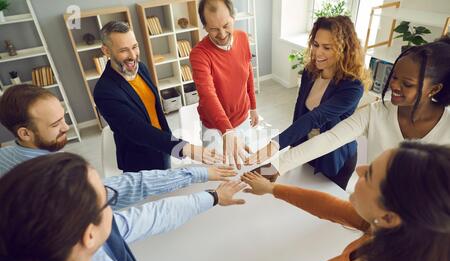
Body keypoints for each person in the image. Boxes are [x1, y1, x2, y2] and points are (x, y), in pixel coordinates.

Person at [0, 152, 247, 261]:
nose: (114, 205)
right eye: (108, 201)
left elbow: (152, 215)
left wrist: (213, 197)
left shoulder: (85, 252)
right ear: (89, 235)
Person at [242, 141, 450, 261]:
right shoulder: (411, 238)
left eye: (368, 175)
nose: (359, 169)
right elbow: (330, 206)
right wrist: (272, 188)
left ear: (388, 217)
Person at [0, 84, 237, 212]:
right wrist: (202, 179)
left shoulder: (6, 154)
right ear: (24, 133)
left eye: (64, 118)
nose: (66, 127)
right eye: (56, 124)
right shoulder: (60, 179)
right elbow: (134, 190)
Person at [253, 35, 450, 180]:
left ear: (434, 89)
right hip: (371, 202)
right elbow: (329, 139)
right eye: (394, 77)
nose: (394, 86)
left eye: (407, 84)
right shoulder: (377, 112)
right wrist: (276, 166)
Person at [249, 16, 371, 189]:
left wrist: (274, 145)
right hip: (306, 149)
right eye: (316, 44)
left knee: (323, 208)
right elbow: (300, 113)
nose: (318, 53)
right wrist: (291, 147)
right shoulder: (310, 72)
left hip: (333, 157)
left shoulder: (352, 86)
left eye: (327, 48)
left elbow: (315, 117)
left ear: (344, 49)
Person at [94, 21, 221, 172]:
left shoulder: (140, 68)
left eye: (135, 47)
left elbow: (155, 109)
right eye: (123, 50)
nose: (133, 56)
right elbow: (137, 129)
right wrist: (186, 148)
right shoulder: (104, 92)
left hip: (163, 147)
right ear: (106, 51)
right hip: (140, 161)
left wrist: (170, 146)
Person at [190, 0, 259, 168]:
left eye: (226, 25)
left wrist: (253, 107)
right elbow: (207, 95)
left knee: (243, 167)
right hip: (214, 127)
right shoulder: (199, 54)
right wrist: (227, 131)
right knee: (218, 173)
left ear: (233, 17)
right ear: (205, 27)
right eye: (214, 29)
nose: (221, 34)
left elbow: (248, 71)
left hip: (242, 119)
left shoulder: (242, 37)